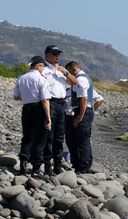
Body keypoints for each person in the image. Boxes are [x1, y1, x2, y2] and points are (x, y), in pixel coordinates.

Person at [13, 56, 52, 176]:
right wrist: (48, 118)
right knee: (40, 139)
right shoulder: (41, 79)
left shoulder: (21, 78)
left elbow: (16, 96)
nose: (43, 69)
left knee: (27, 137)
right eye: (42, 66)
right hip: (39, 108)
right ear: (38, 66)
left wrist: (26, 95)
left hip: (26, 108)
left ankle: (23, 165)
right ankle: (36, 168)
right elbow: (45, 100)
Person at [42, 45, 77, 175]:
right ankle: (47, 166)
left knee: (59, 136)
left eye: (58, 54)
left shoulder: (61, 70)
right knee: (49, 135)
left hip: (62, 104)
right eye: (54, 54)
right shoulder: (44, 70)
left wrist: (66, 73)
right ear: (47, 55)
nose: (57, 56)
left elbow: (75, 83)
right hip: (50, 103)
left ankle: (57, 166)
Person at [64, 88, 103, 174]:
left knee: (82, 141)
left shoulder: (83, 87)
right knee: (70, 141)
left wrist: (91, 111)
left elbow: (99, 99)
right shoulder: (65, 89)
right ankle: (75, 163)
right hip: (68, 117)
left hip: (80, 116)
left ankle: (84, 166)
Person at [64, 61, 94, 173]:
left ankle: (83, 166)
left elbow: (84, 99)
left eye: (69, 72)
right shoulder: (84, 77)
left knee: (82, 139)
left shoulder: (81, 79)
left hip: (83, 111)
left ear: (73, 69)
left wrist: (80, 116)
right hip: (83, 110)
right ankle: (83, 163)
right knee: (80, 138)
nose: (69, 76)